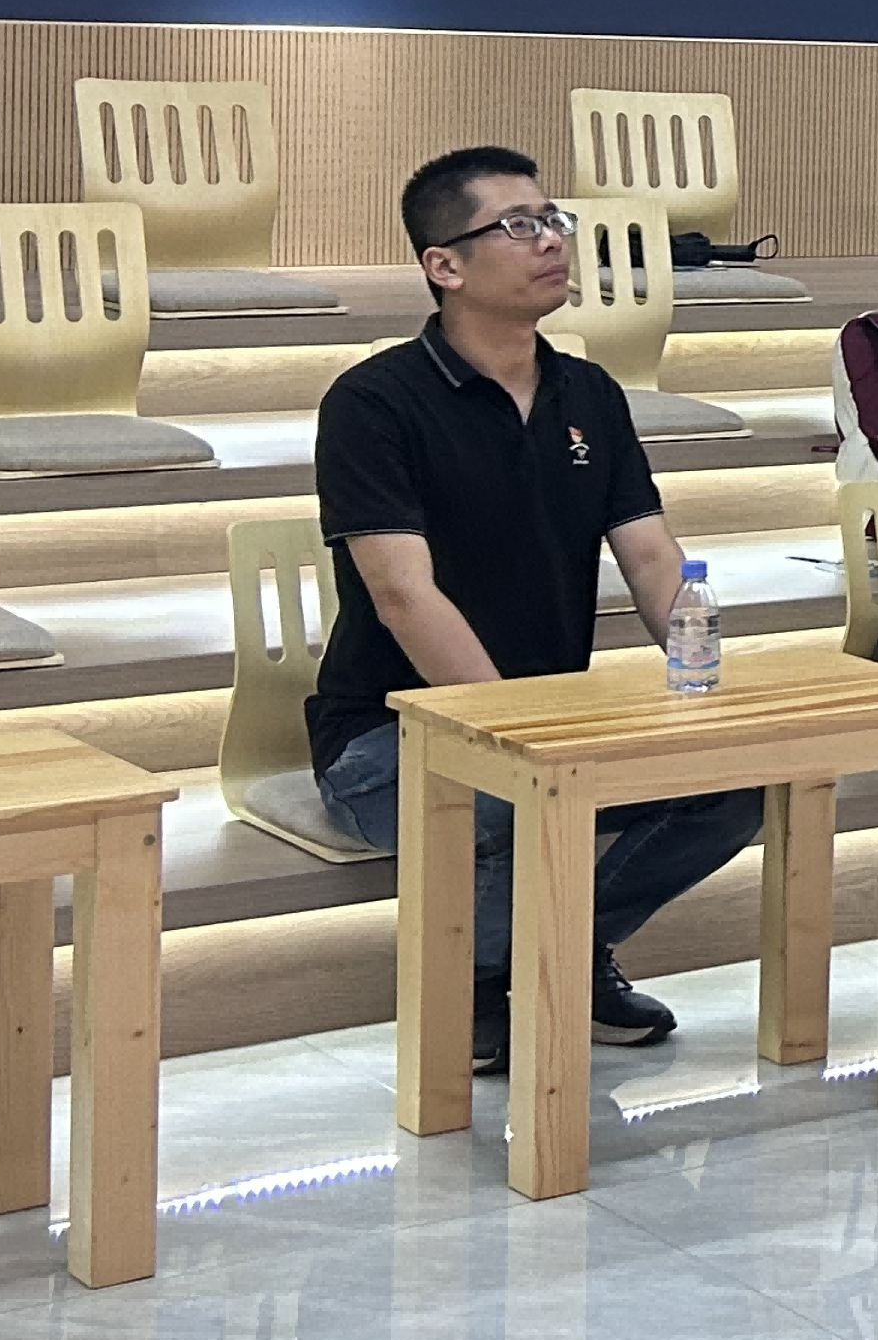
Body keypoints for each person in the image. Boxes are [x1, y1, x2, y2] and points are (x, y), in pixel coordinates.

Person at [308, 148, 763, 1076]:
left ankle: (559, 952)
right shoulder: (374, 402)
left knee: (730, 784)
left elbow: (650, 556)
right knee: (503, 802)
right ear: (444, 264)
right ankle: (481, 986)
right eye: (519, 225)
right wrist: (513, 737)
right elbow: (403, 594)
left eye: (555, 221)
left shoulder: (587, 393)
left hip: (557, 721)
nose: (552, 241)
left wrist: (703, 682)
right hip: (391, 734)